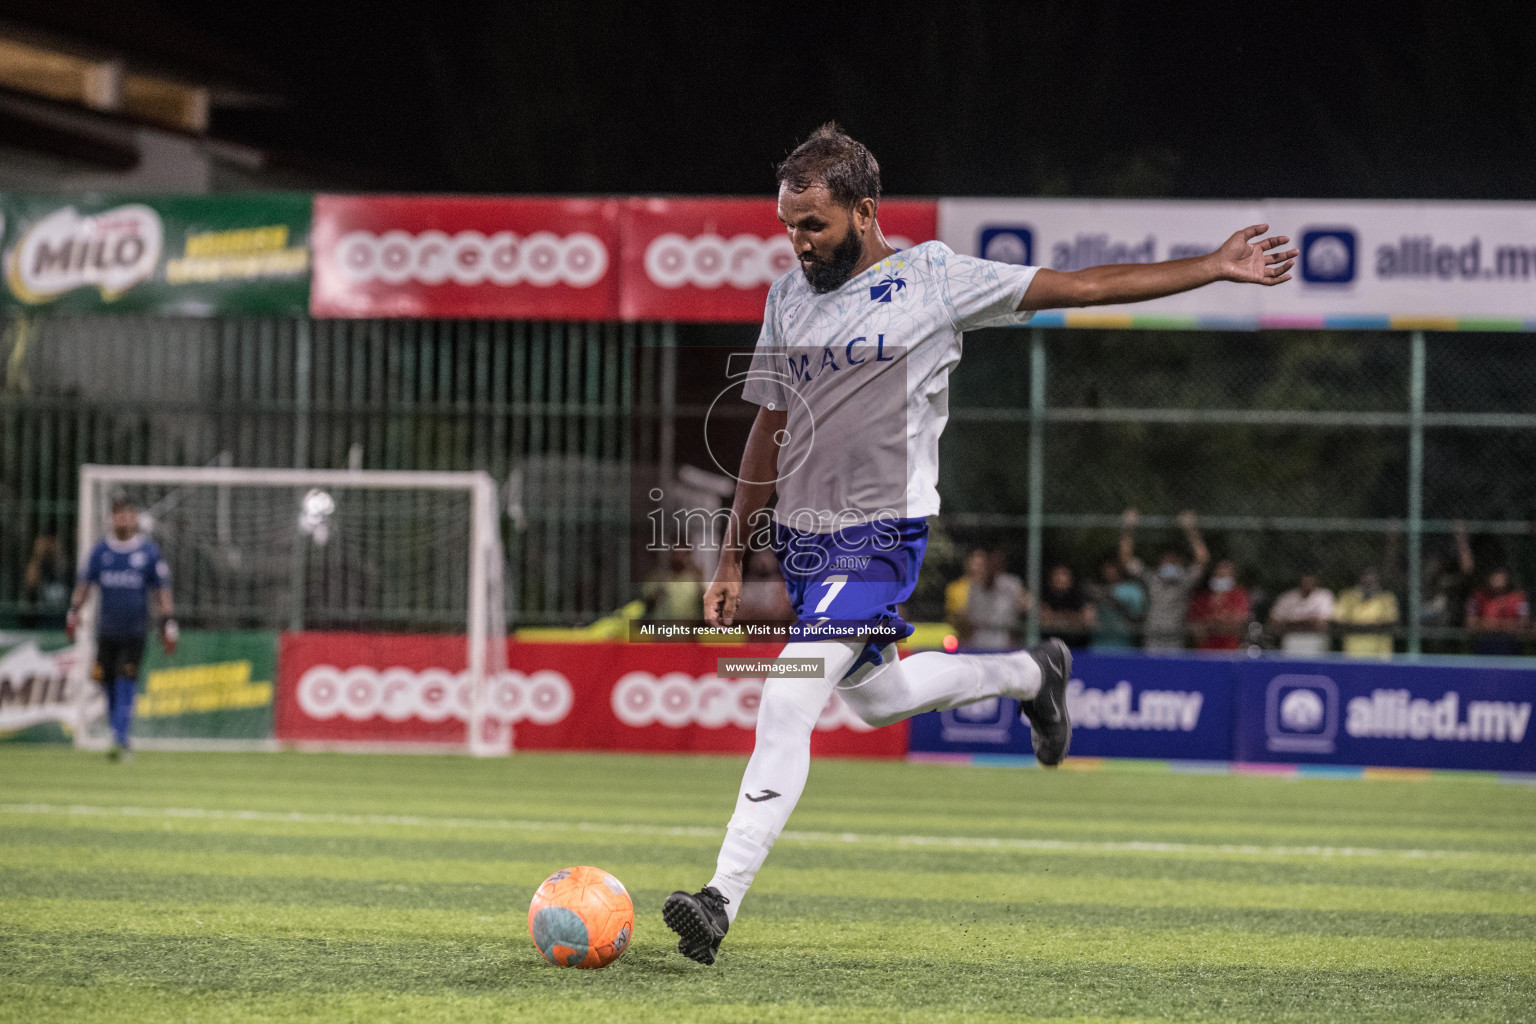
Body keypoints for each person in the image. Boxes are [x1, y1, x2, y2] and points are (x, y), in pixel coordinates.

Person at [662, 123, 1297, 965]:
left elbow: (1084, 285)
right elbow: (767, 427)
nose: (798, 242)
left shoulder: (934, 278)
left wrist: (1211, 267)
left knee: (787, 696)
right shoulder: (789, 297)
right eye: (787, 224)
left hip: (880, 537)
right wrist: (734, 553)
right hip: (807, 545)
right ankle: (1033, 674)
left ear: (864, 210)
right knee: (877, 701)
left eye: (812, 224)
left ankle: (719, 900)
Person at [65, 497, 177, 761]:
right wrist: (73, 612)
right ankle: (118, 734)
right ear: (112, 518)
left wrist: (168, 622)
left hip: (136, 630)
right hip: (106, 630)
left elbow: (162, 591)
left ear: (135, 518)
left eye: (129, 514)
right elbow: (84, 585)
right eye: (119, 514)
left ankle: (120, 738)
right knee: (107, 683)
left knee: (127, 681)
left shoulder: (148, 553)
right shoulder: (101, 552)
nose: (124, 519)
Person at [1117, 509, 1210, 650]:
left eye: (1174, 561)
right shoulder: (1152, 577)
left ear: (1180, 563)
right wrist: (1128, 527)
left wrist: (1191, 529)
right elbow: (1126, 559)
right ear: (1160, 562)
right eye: (1167, 561)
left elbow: (1202, 560)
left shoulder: (1185, 580)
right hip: (1153, 635)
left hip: (1175, 637)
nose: (1170, 564)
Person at [1333, 566, 1399, 658]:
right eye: (1366, 575)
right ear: (1360, 577)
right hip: (1353, 650)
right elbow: (1339, 621)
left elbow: (1390, 622)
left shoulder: (1387, 598)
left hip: (1380, 651)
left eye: (1372, 575)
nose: (1369, 579)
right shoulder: (1347, 596)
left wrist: (1357, 625)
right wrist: (1373, 625)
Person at [1186, 559, 1251, 651]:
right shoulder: (1201, 598)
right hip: (1205, 652)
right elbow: (1194, 627)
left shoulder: (1239, 595)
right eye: (1219, 575)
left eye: (1225, 575)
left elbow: (1239, 623)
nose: (1222, 577)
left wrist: (1211, 623)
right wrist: (1222, 621)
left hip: (1230, 651)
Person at [1465, 568, 1529, 656]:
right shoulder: (1477, 597)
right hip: (1484, 644)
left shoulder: (1519, 598)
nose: (1497, 580)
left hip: (1510, 645)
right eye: (1495, 577)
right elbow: (1471, 624)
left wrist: (1489, 624)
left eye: (1500, 577)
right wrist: (1503, 625)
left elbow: (1523, 625)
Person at [1268, 570, 1334, 655]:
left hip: (1315, 639)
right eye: (1305, 577)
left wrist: (1291, 621)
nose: (1307, 580)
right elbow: (1273, 623)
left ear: (1316, 580)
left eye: (1310, 578)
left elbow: (1322, 624)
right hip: (1291, 639)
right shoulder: (1287, 597)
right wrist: (1308, 620)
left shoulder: (1324, 595)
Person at [1089, 558, 1145, 649]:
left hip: (1124, 646)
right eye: (1107, 569)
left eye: (1113, 568)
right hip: (1098, 646)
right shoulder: (1095, 590)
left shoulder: (1133, 590)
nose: (1110, 572)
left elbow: (1138, 617)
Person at [21, 534, 71, 630]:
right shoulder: (40, 567)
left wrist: (58, 552)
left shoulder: (68, 569)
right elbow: (31, 582)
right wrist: (38, 556)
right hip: (42, 625)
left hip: (62, 624)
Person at [641, 547, 705, 621]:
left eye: (682, 554)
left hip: (689, 627)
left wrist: (699, 578)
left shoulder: (694, 578)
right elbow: (646, 602)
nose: (678, 557)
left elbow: (705, 600)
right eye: (675, 554)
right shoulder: (657, 577)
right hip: (663, 627)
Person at [731, 548, 794, 622]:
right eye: (759, 561)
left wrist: (754, 612)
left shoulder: (780, 584)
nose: (762, 565)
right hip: (753, 629)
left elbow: (780, 612)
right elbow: (738, 612)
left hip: (775, 629)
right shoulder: (748, 584)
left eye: (766, 561)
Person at [1040, 563, 1094, 648]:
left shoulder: (1080, 597)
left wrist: (1057, 618)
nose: (1060, 578)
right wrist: (1071, 618)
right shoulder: (1044, 596)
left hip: (1077, 645)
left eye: (1063, 574)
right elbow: (1044, 620)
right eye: (1056, 574)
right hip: (1049, 645)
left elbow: (1087, 621)